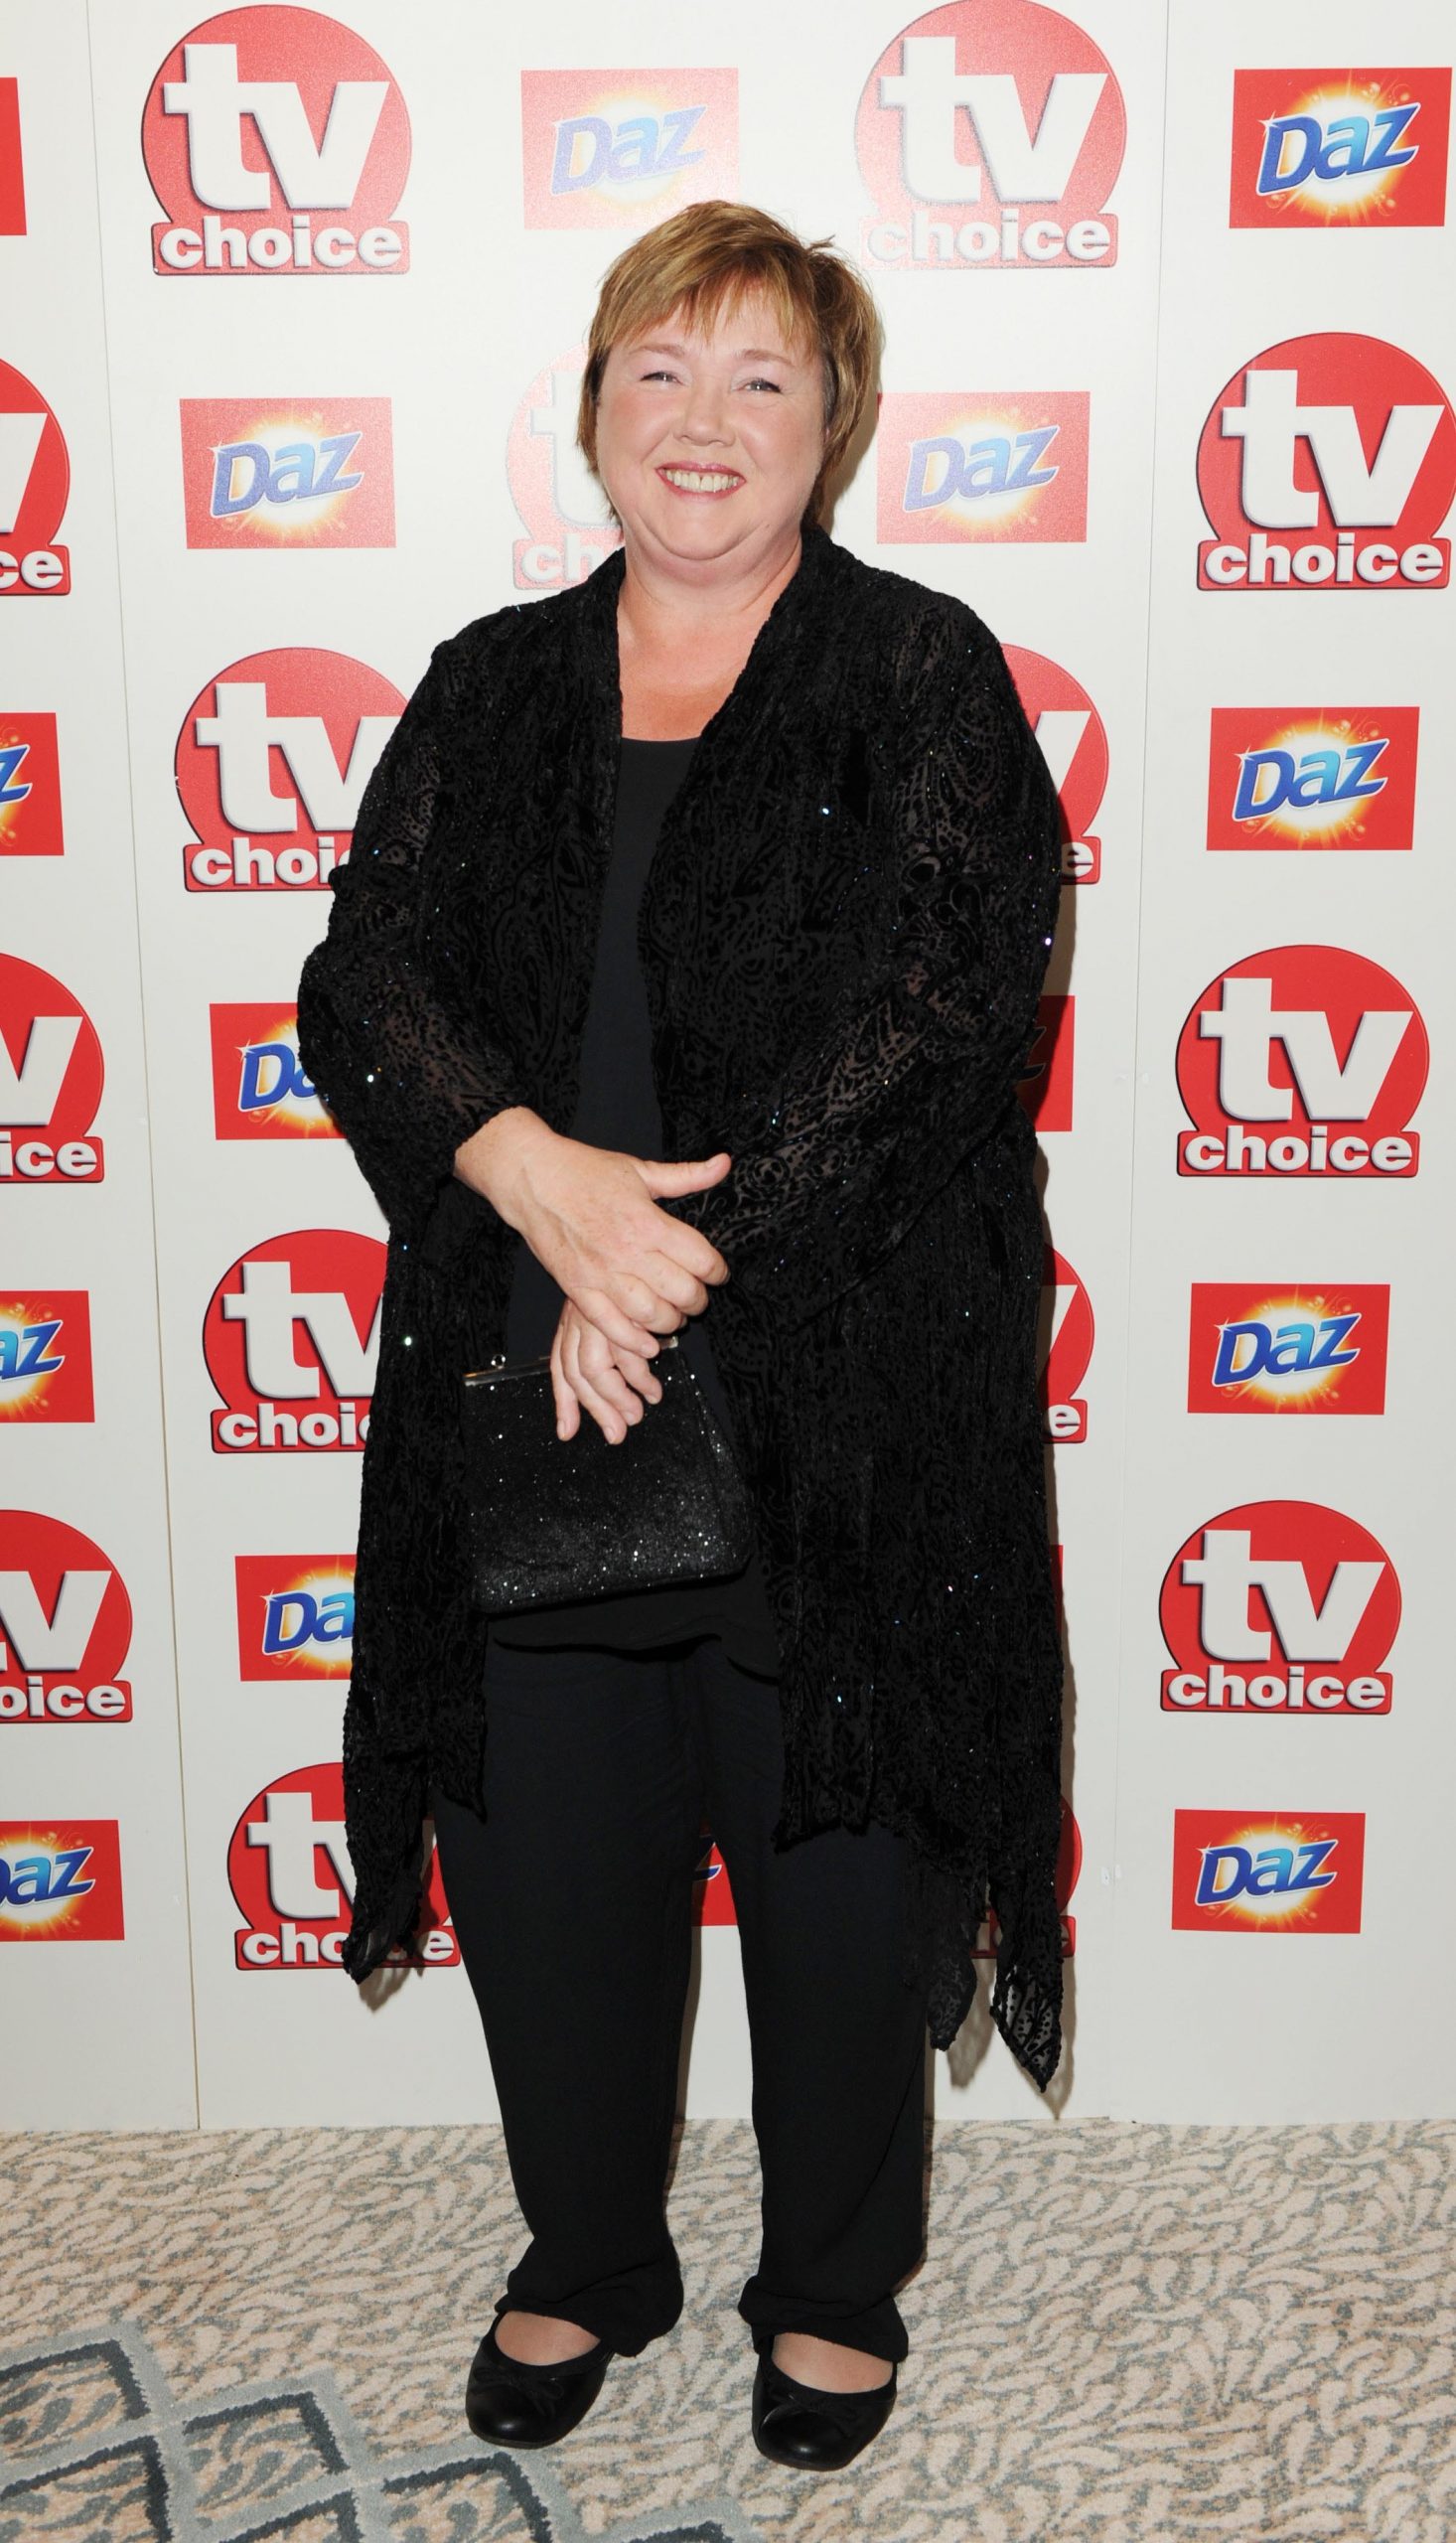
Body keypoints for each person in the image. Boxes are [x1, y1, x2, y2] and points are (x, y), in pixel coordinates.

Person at [295, 198, 1064, 2473]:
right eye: (660, 371)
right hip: (513, 1365)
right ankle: (584, 2249)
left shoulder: (919, 669)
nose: (702, 424)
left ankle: (830, 2281)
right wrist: (531, 1175)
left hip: (831, 1390)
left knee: (833, 1869)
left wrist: (664, 1269)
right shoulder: (485, 680)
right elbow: (366, 979)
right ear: (593, 407)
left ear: (833, 423)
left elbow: (946, 1012)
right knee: (544, 1857)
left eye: (760, 379)